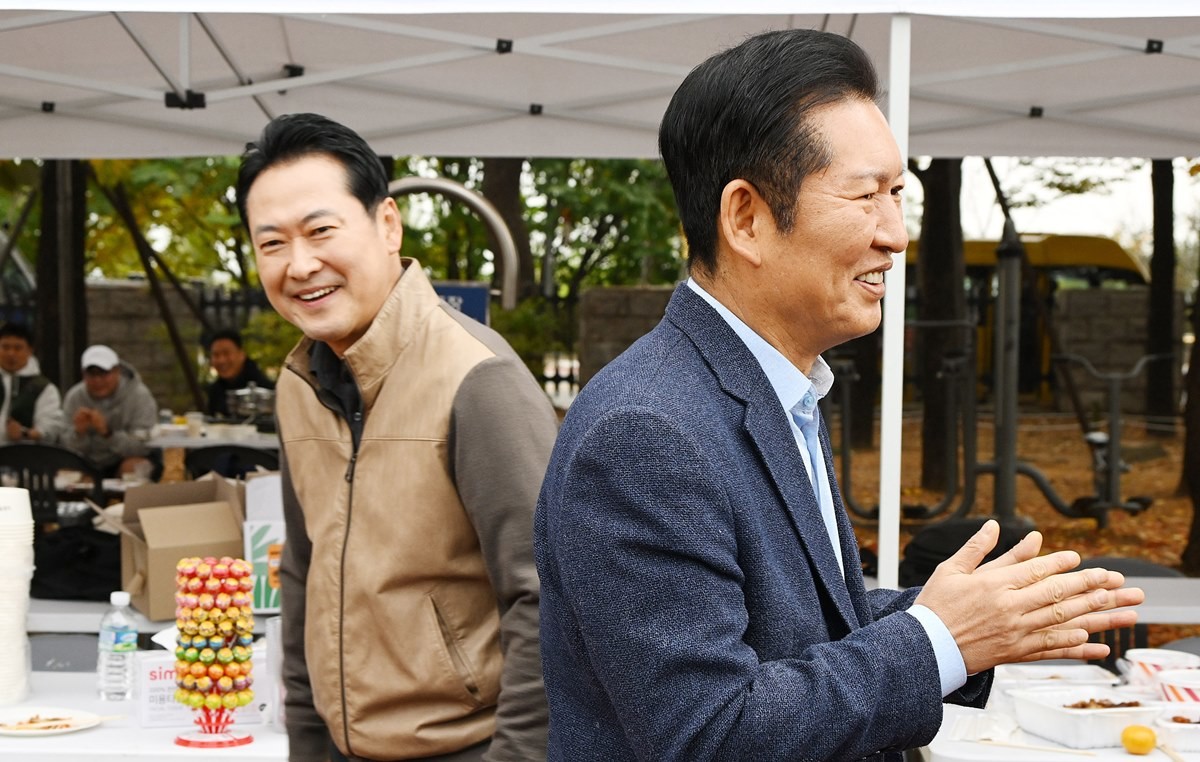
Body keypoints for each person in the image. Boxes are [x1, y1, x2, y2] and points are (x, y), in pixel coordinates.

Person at [534, 29, 1144, 762]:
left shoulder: (777, 388)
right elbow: (709, 733)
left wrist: (990, 621)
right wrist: (939, 640)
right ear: (746, 218)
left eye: (898, 195)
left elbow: (807, 627)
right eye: (865, 196)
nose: (895, 235)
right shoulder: (646, 433)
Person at [236, 112, 557, 762]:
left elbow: (548, 601)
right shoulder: (299, 384)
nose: (300, 264)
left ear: (387, 224)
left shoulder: (477, 378)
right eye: (272, 244)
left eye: (321, 231)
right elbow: (301, 578)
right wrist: (307, 744)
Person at [60, 344, 158, 477]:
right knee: (64, 471)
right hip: (86, 461)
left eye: (104, 374)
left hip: (122, 459)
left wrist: (107, 434)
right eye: (91, 374)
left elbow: (144, 446)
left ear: (117, 371)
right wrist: (79, 434)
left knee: (134, 467)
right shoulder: (74, 397)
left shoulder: (139, 396)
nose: (97, 380)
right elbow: (65, 446)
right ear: (83, 374)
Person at [0, 322, 65, 444]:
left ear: (30, 350)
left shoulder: (44, 388)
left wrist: (25, 433)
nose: (11, 354)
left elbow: (50, 429)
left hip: (24, 456)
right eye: (5, 347)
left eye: (17, 348)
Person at [204, 328, 275, 418]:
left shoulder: (265, 389)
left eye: (226, 353)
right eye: (216, 355)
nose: (221, 360)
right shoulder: (215, 391)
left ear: (241, 354)